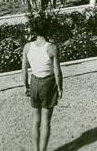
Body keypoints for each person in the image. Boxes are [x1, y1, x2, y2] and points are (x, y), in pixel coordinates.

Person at [21, 15, 63, 151]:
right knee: (46, 122)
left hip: (34, 82)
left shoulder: (27, 47)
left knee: (35, 121)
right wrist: (60, 87)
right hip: (48, 83)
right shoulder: (51, 48)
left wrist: (26, 86)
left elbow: (24, 70)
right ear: (48, 29)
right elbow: (57, 71)